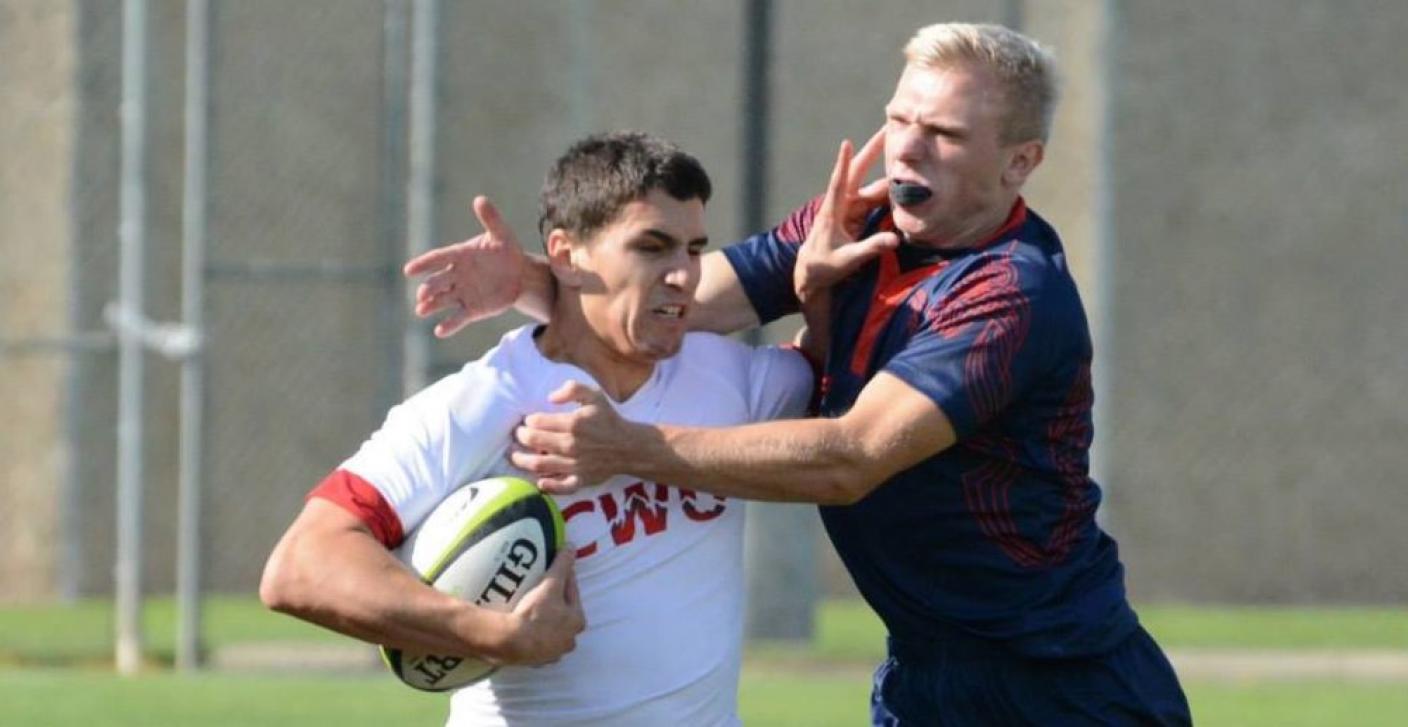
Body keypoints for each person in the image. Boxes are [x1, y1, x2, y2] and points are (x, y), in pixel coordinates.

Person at [404, 23, 1192, 726]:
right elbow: (676, 301)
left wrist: (627, 447)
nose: (908, 149)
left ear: (1020, 162)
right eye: (899, 119)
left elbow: (850, 457)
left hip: (1060, 682)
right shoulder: (861, 221)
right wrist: (540, 282)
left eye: (945, 133)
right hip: (926, 673)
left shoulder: (1010, 291)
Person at [261, 131, 814, 726]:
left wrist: (826, 286)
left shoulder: (732, 379)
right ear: (567, 255)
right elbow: (301, 564)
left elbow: (854, 417)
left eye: (694, 250)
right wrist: (491, 633)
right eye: (653, 248)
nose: (683, 275)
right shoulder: (484, 402)